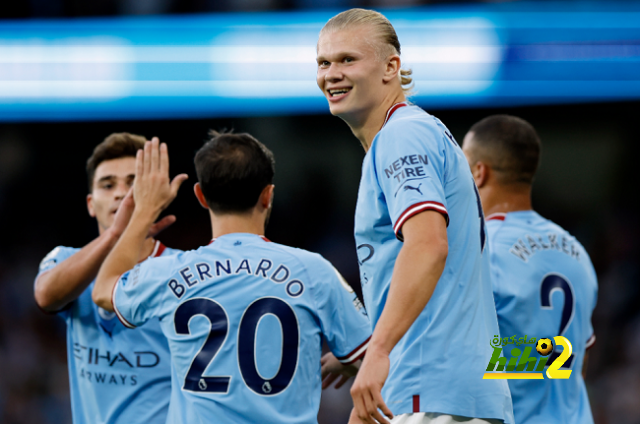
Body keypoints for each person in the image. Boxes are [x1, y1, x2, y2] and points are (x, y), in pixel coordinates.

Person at [316, 9, 514, 424]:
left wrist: (380, 351)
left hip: (433, 391)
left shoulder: (402, 136)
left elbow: (427, 244)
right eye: (324, 62)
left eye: (348, 60)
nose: (331, 74)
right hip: (446, 389)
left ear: (391, 67)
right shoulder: (413, 133)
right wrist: (373, 348)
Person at [92, 133, 372, 424]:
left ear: (201, 196)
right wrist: (347, 360)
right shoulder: (314, 270)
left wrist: (143, 213)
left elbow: (103, 290)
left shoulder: (167, 271)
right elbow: (372, 354)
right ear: (268, 194)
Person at [34, 133, 183, 424]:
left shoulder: (179, 269)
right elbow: (46, 297)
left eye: (132, 183)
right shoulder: (66, 260)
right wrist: (116, 234)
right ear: (91, 204)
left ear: (153, 196)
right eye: (108, 185)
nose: (121, 194)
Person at [462, 115, 598, 424]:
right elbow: (579, 359)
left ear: (478, 172)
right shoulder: (577, 250)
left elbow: (457, 360)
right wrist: (552, 356)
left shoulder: (480, 249)